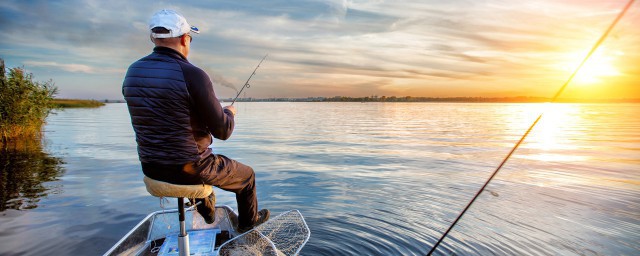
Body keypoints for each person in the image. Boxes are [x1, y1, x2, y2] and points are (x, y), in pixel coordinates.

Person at [122, 9, 269, 233]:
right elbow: (223, 131)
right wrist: (229, 113)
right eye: (190, 38)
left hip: (151, 167)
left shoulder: (133, 72)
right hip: (191, 168)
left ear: (154, 38)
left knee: (198, 164)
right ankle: (248, 224)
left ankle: (206, 205)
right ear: (184, 38)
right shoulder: (193, 74)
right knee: (247, 176)